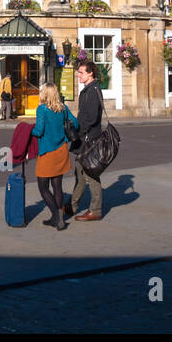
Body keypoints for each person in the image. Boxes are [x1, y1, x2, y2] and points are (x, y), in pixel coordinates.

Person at [31, 82, 76, 231]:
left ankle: (56, 217)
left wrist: (29, 130)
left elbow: (39, 130)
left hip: (47, 152)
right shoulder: (63, 108)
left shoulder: (42, 109)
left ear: (45, 94)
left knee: (43, 187)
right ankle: (57, 218)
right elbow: (75, 123)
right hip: (61, 150)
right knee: (57, 186)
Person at [69, 60, 105, 222]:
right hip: (84, 138)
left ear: (90, 73)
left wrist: (77, 133)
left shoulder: (93, 90)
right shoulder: (88, 90)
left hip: (89, 140)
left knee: (91, 175)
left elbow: (90, 118)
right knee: (79, 173)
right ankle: (72, 205)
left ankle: (95, 210)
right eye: (78, 72)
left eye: (81, 72)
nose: (78, 74)